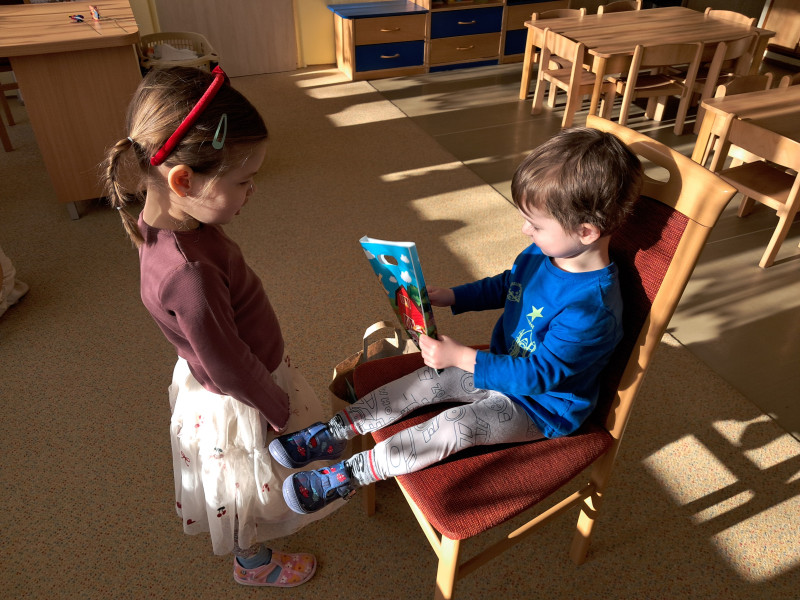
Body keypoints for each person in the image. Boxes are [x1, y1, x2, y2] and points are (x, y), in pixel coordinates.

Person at [269, 127, 643, 515]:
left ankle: (353, 473)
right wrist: (452, 295)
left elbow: (536, 377)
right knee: (428, 380)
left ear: (586, 231)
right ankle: (337, 431)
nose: (525, 231)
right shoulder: (544, 253)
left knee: (457, 425)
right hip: (500, 366)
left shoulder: (592, 310)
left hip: (539, 407)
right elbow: (508, 284)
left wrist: (462, 357)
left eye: (536, 224)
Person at [101, 65, 339, 588]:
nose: (252, 190)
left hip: (229, 374)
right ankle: (251, 562)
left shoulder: (168, 222)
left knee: (249, 475)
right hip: (239, 394)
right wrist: (278, 408)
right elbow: (228, 363)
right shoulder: (189, 272)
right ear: (183, 180)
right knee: (241, 486)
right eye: (243, 181)